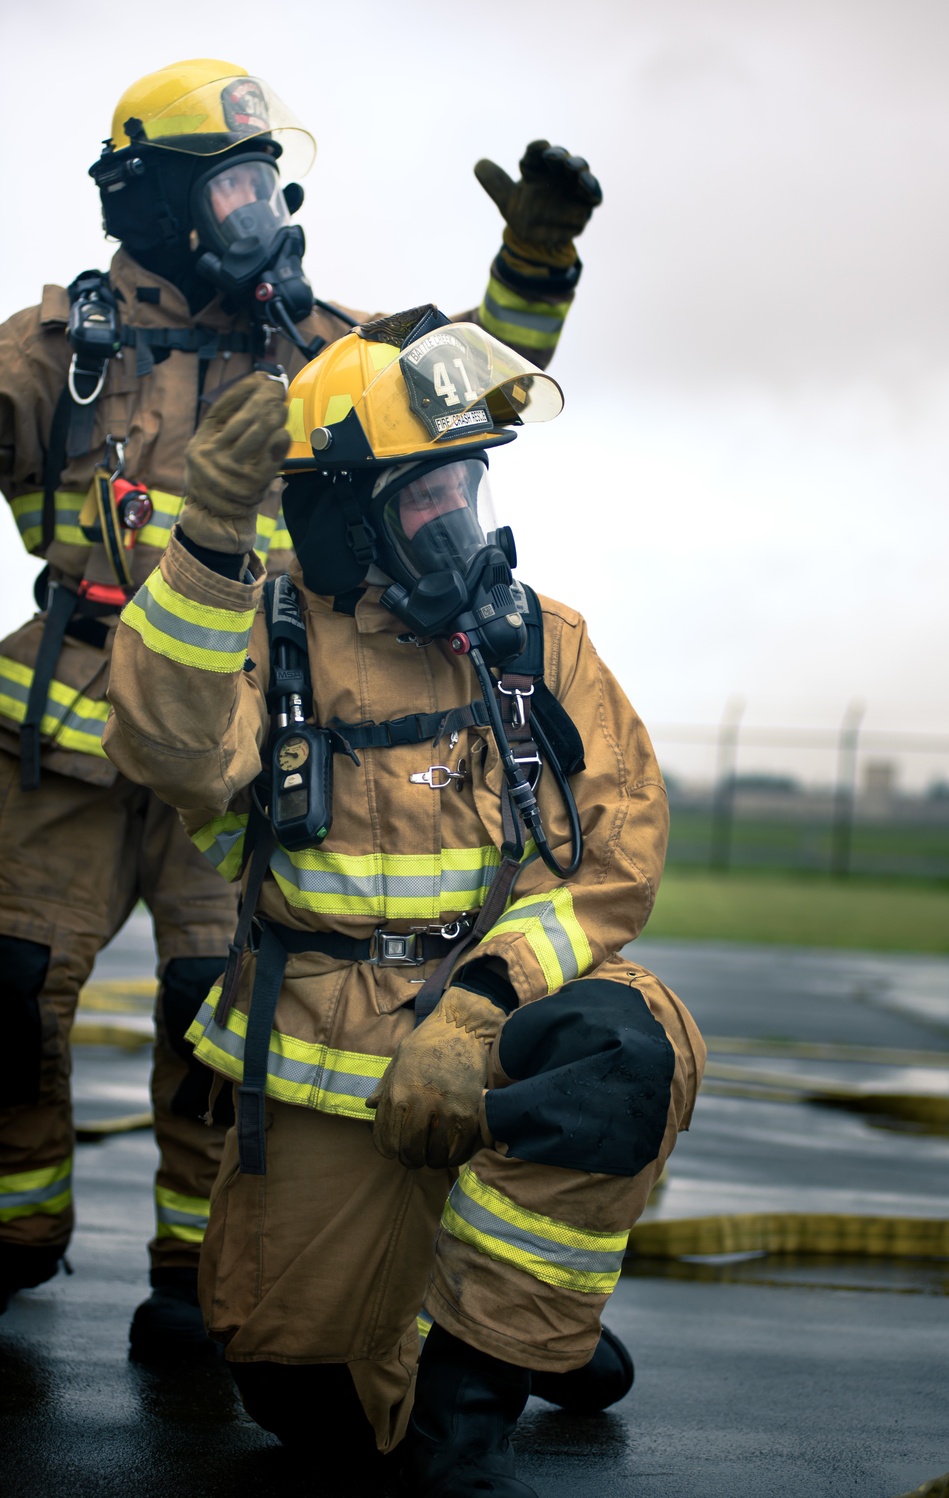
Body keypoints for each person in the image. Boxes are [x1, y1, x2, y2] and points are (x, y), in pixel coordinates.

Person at [0, 55, 602, 1358]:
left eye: (267, 182)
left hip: (246, 733)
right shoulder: (63, 350)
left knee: (219, 1005)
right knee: (6, 992)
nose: (258, 212)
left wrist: (535, 264)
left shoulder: (330, 348)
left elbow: (482, 379)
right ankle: (10, 1227)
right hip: (62, 738)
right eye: (228, 187)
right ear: (149, 201)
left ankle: (190, 1265)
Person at [102, 310, 706, 1495]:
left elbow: (613, 859)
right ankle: (482, 1319)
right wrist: (210, 542)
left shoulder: (539, 643)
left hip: (488, 1032)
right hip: (327, 1056)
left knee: (621, 1050)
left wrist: (484, 1000)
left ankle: (488, 1380)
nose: (458, 529)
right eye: (421, 502)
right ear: (341, 517)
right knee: (300, 1392)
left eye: (463, 493)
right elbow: (170, 749)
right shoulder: (266, 638)